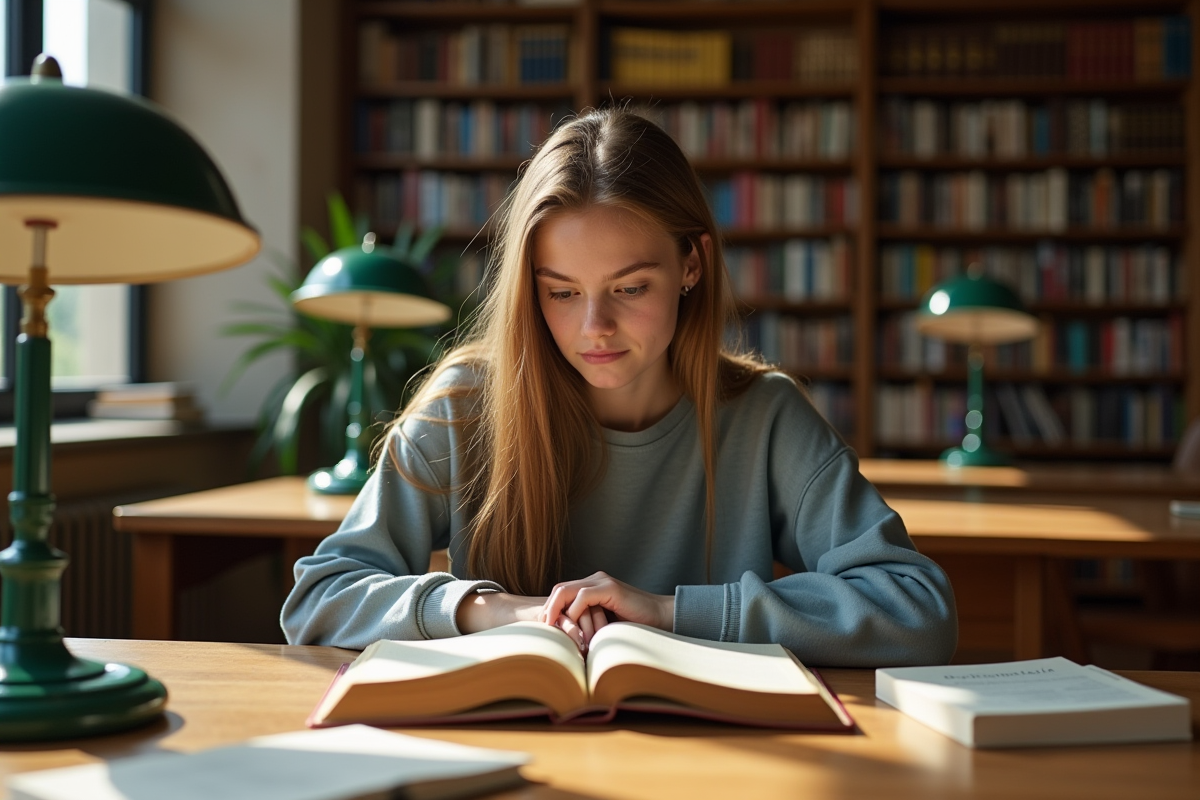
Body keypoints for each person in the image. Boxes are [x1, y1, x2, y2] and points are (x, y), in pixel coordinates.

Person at [281, 108, 957, 667]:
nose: (593, 327)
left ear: (692, 264)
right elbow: (319, 597)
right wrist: (497, 610)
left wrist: (666, 612)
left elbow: (917, 609)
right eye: (561, 292)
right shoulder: (466, 407)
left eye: (631, 288)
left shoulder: (765, 417)